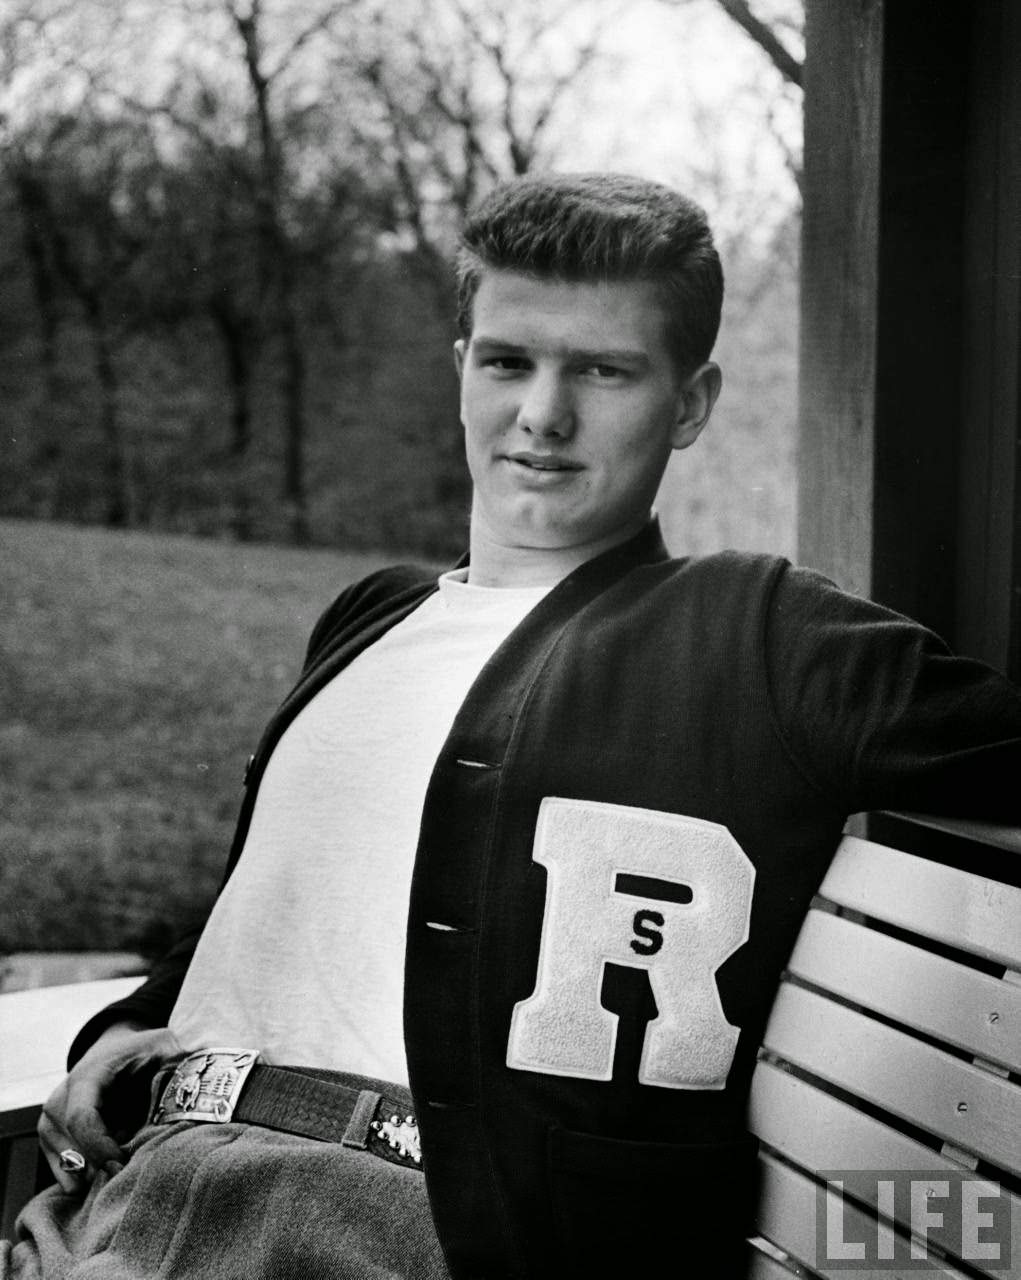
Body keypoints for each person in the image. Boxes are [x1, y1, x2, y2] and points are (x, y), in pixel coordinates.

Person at [6, 172, 1021, 1280]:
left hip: (394, 1223)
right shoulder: (373, 614)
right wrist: (128, 1022)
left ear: (689, 403)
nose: (543, 414)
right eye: (508, 361)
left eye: (602, 368)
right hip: (120, 1197)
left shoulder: (758, 635)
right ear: (459, 374)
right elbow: (300, 883)